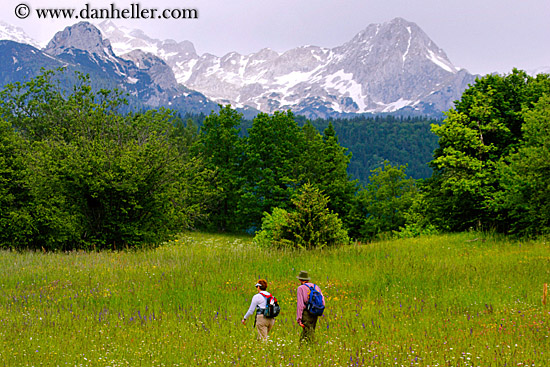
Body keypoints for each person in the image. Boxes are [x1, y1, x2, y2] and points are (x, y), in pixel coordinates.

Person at [296, 270, 325, 343]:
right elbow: (323, 301)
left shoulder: (301, 288)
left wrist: (299, 319)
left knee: (309, 332)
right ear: (308, 279)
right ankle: (301, 348)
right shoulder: (316, 287)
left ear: (300, 279)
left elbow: (300, 305)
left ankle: (314, 346)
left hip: (306, 313)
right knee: (308, 331)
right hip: (315, 311)